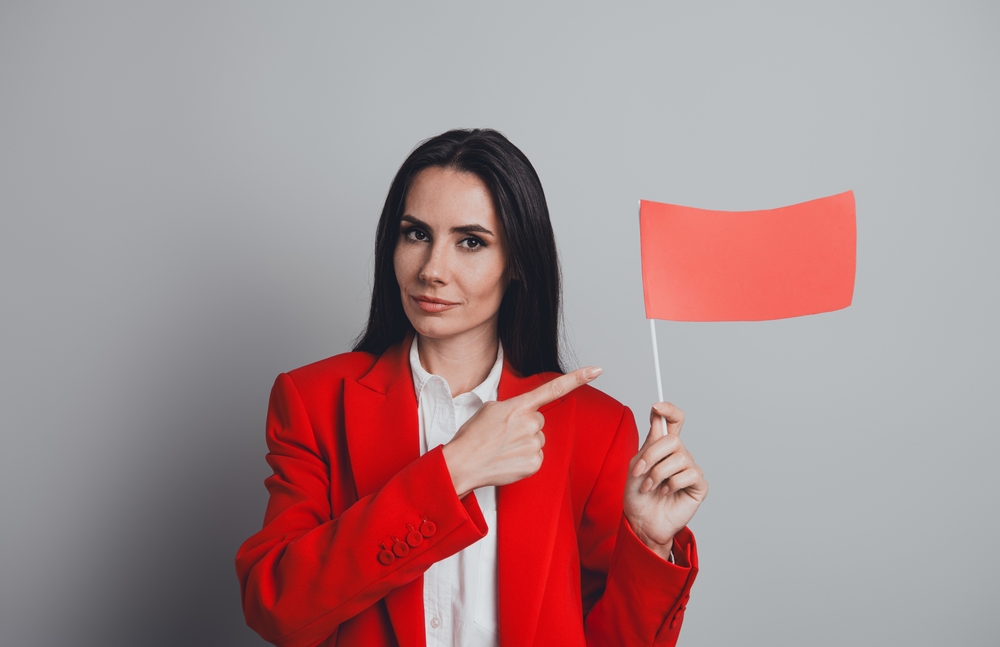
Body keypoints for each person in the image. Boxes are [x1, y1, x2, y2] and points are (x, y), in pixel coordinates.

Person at [235, 129, 708, 647]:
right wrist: (453, 469)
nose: (432, 270)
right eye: (416, 234)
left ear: (518, 265)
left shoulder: (594, 426)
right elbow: (277, 607)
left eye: (471, 241)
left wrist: (649, 542)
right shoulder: (314, 401)